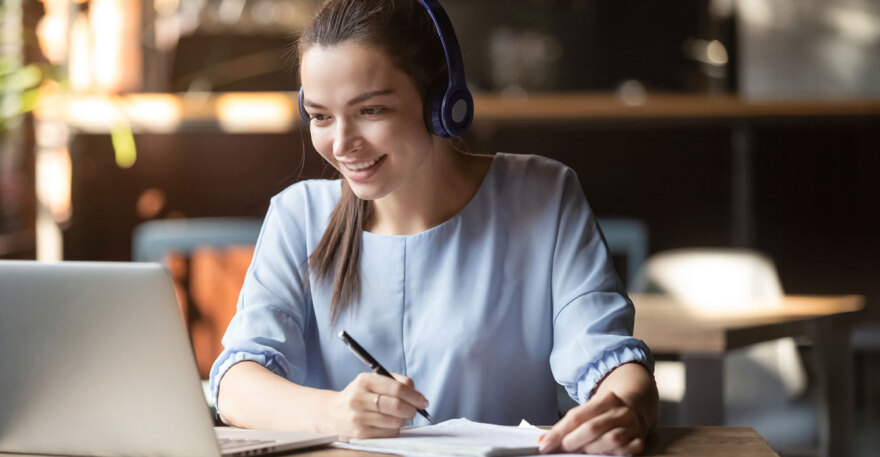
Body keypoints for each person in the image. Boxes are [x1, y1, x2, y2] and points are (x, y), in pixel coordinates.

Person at [210, 0, 658, 454]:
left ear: (442, 102)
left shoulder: (543, 195)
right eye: (321, 116)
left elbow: (606, 357)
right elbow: (235, 384)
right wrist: (335, 414)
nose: (342, 144)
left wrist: (627, 407)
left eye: (371, 111)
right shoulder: (298, 215)